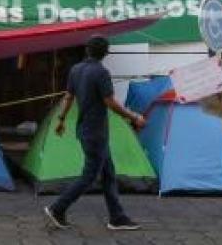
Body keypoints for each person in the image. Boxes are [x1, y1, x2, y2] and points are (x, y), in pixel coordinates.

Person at [44, 35, 147, 232]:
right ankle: (57, 208)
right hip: (96, 133)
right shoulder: (101, 72)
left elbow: (68, 96)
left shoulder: (76, 70)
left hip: (85, 130)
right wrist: (134, 117)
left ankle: (117, 217)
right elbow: (110, 102)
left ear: (87, 50)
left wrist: (61, 120)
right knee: (89, 175)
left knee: (108, 173)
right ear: (106, 53)